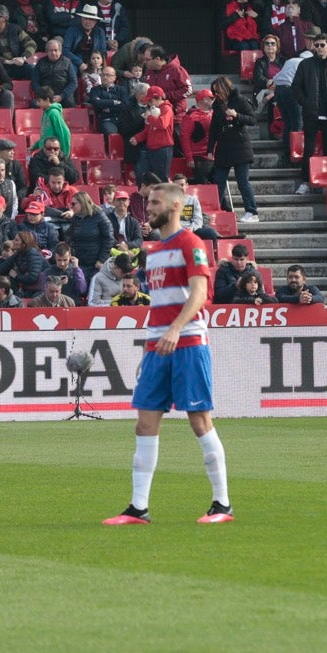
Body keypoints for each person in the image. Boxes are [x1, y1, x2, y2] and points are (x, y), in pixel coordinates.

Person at [104, 182, 230, 526]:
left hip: (188, 342)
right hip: (158, 346)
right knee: (144, 423)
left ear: (176, 206)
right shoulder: (155, 250)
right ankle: (138, 508)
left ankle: (222, 504)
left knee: (199, 420)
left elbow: (200, 293)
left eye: (155, 202)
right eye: (149, 201)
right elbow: (159, 304)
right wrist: (152, 343)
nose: (149, 208)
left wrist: (175, 328)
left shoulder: (191, 243)